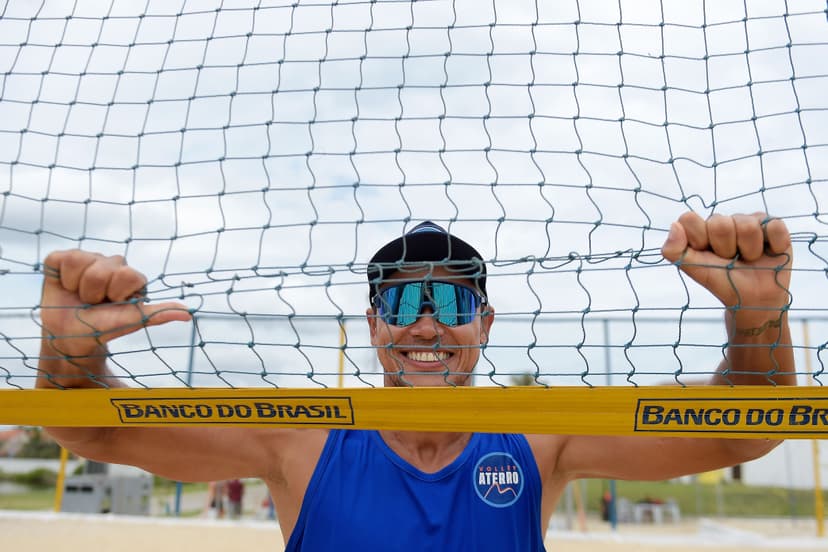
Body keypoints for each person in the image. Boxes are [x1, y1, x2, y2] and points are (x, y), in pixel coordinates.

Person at [36, 212, 794, 551]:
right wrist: (68, 356)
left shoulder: (540, 433)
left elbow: (741, 433)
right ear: (374, 326)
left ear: (484, 323)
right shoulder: (303, 440)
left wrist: (757, 319)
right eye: (402, 304)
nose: (426, 327)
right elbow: (90, 429)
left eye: (452, 303)